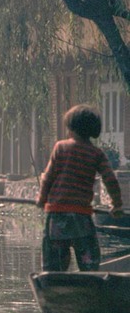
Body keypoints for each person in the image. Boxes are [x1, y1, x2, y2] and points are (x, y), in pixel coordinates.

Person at [37, 104, 123, 271]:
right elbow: (110, 180)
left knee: (54, 263)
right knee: (89, 261)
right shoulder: (96, 154)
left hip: (56, 214)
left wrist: (42, 199)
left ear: (72, 128)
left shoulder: (60, 147)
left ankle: (53, 285)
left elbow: (48, 177)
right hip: (81, 215)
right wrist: (116, 205)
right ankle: (89, 283)